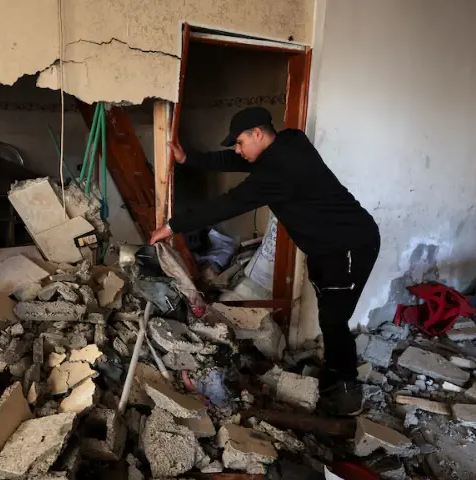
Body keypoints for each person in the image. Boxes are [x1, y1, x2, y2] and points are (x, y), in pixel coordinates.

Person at [149, 107, 380, 416]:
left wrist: (172, 226)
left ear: (258, 134)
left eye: (240, 142)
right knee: (330, 312)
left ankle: (348, 393)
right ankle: (333, 374)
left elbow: (228, 204)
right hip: (325, 249)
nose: (237, 149)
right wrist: (189, 160)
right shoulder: (290, 141)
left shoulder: (280, 170)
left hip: (350, 245)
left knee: (334, 319)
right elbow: (238, 160)